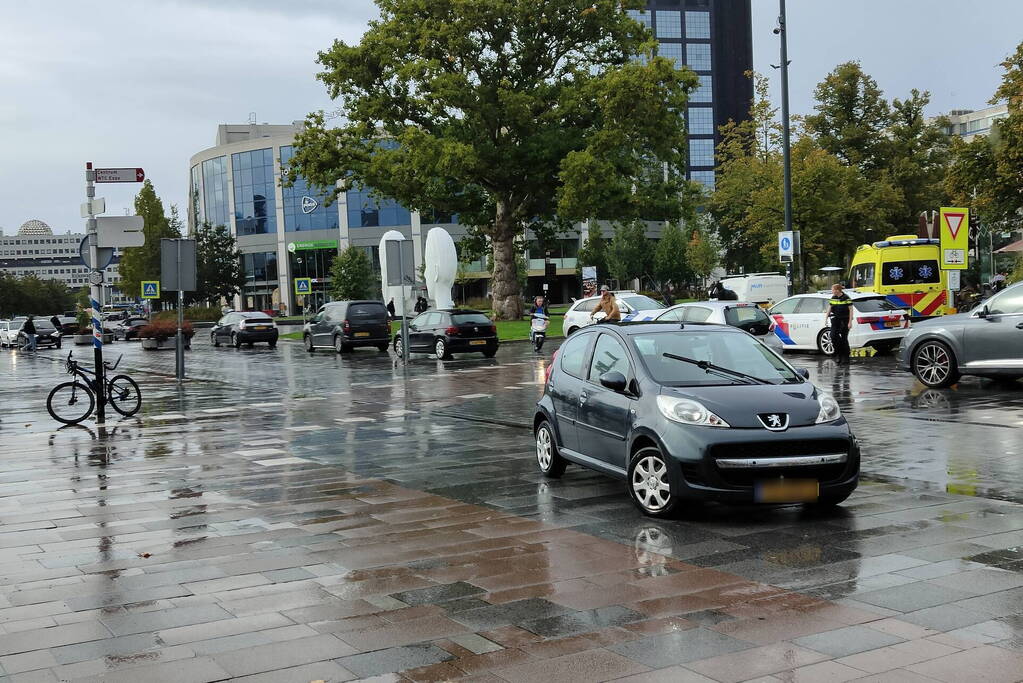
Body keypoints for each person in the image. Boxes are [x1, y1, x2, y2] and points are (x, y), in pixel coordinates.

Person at [826, 283, 853, 361]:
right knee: (833, 336)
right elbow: (830, 307)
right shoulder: (833, 297)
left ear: (837, 290)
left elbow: (851, 310)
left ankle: (845, 357)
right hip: (836, 320)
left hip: (845, 320)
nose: (832, 291)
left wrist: (850, 322)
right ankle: (838, 352)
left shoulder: (846, 298)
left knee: (844, 338)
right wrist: (826, 317)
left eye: (833, 290)